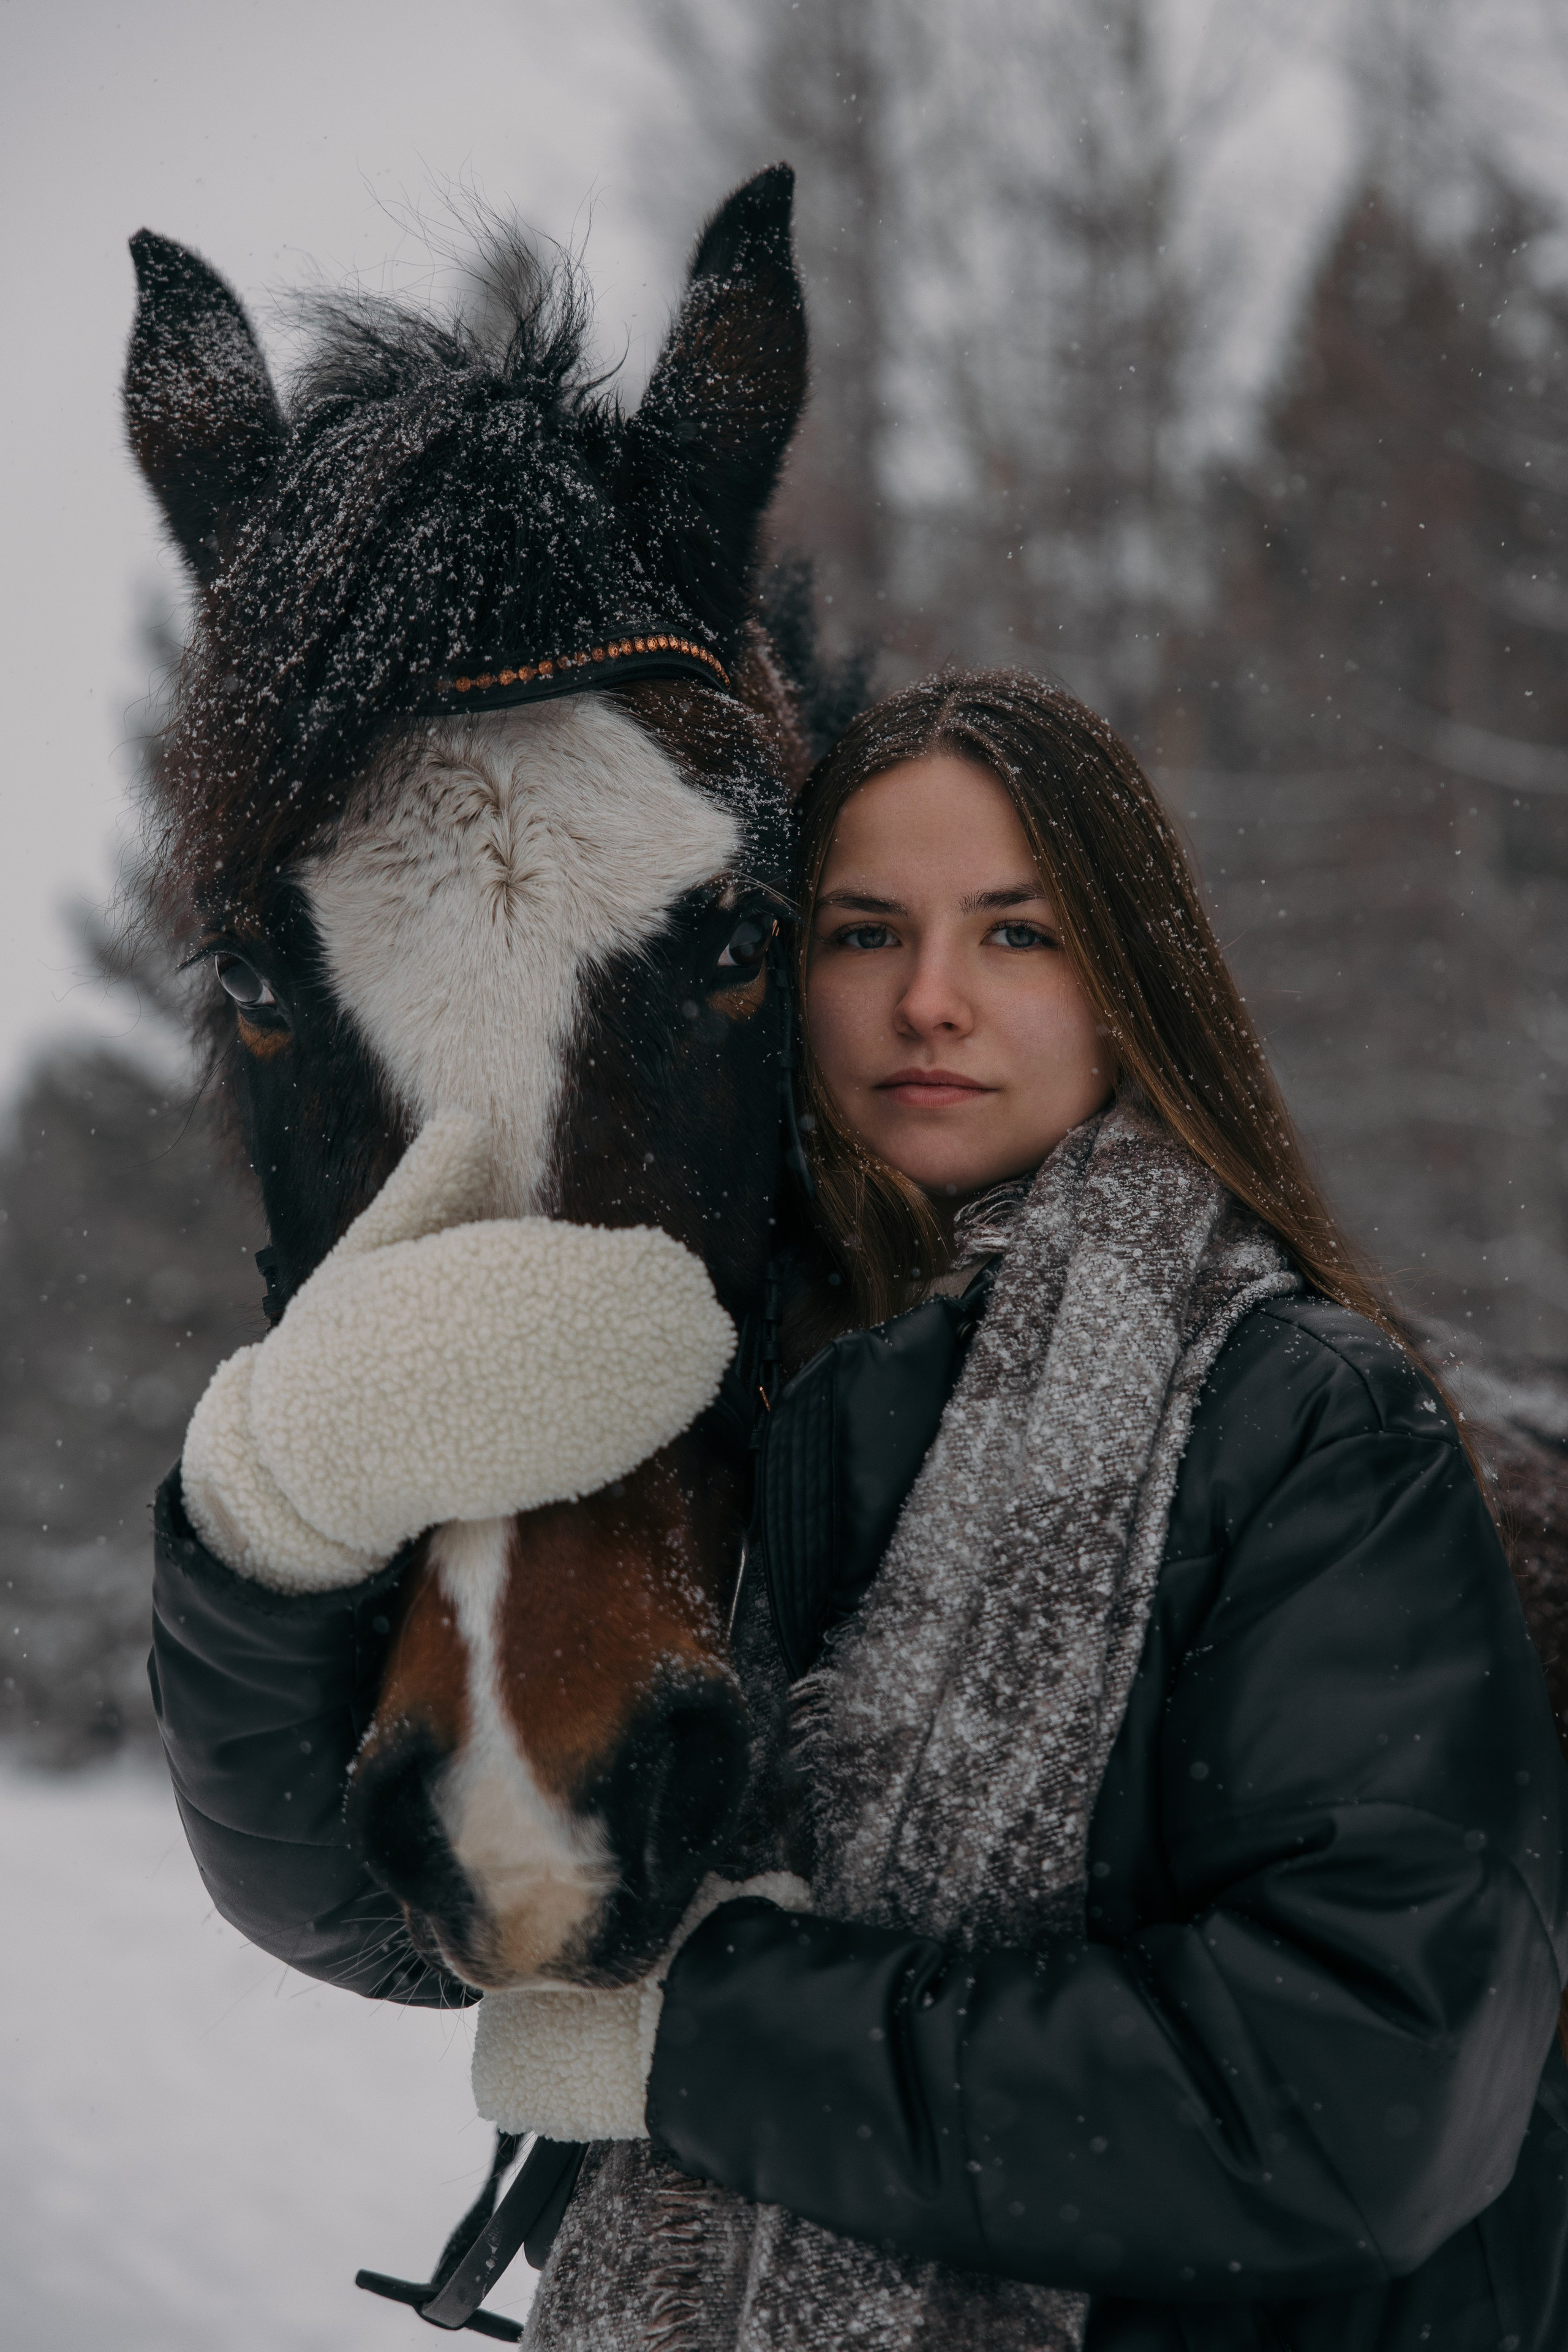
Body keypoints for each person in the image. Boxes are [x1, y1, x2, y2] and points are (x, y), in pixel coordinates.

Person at [150, 669, 1568, 2352]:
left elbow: (1364, 2104)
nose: (932, 1004)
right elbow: (398, 1903)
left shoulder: (1305, 1421)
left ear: (1134, 980)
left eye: (1018, 936)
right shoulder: (731, 1411)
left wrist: (709, 2041)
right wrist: (271, 1514)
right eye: (865, 932)